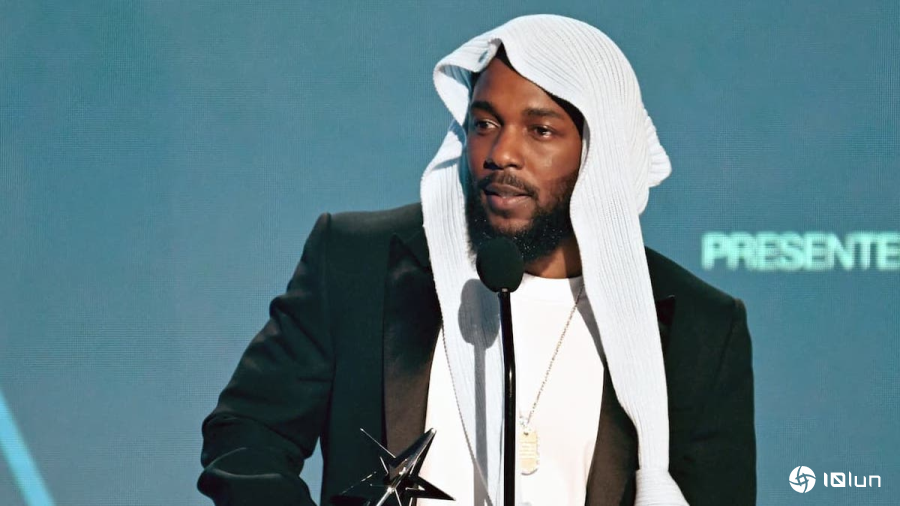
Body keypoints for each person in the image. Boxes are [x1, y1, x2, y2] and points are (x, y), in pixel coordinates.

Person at [198, 14, 755, 506]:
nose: (501, 153)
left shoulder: (699, 328)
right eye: (485, 123)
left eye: (540, 131)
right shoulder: (357, 261)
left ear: (598, 154)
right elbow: (246, 435)